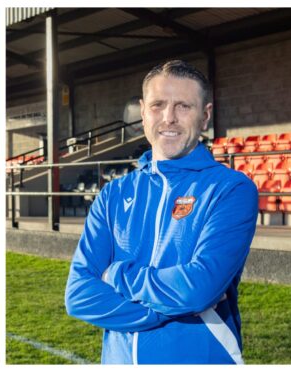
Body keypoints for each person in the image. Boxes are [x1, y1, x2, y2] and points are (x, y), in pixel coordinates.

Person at [65, 60, 258, 364]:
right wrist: (171, 306)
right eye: (158, 105)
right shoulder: (113, 194)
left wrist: (113, 274)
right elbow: (78, 296)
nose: (169, 118)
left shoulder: (231, 189)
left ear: (205, 116)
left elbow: (199, 290)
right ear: (143, 113)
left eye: (184, 106)